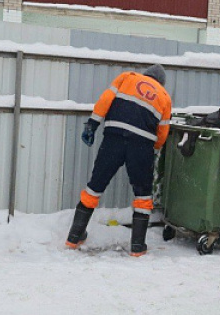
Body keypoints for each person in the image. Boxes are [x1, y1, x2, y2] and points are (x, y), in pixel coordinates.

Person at [65, 64, 172, 257]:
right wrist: (151, 149)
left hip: (114, 137)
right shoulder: (164, 96)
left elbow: (105, 100)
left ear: (145, 75)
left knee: (95, 186)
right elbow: (163, 131)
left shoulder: (127, 77)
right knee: (142, 195)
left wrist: (92, 125)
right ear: (161, 82)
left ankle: (74, 237)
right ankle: (138, 247)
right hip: (142, 144)